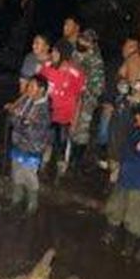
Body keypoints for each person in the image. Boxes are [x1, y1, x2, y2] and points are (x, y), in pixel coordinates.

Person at [5, 76, 52, 214]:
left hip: (32, 148)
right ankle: (16, 199)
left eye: (32, 87)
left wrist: (18, 118)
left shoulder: (44, 109)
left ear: (41, 90)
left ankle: (32, 204)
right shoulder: (27, 100)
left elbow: (31, 130)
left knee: (29, 176)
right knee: (16, 172)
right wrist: (20, 119)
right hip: (19, 143)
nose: (28, 89)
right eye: (28, 86)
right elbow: (15, 119)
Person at [39, 39, 86, 176]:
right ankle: (42, 166)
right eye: (53, 50)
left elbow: (79, 99)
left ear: (63, 54)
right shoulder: (47, 66)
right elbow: (37, 86)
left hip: (65, 116)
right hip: (47, 113)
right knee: (45, 141)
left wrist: (75, 120)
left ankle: (60, 172)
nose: (52, 54)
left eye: (55, 51)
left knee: (62, 144)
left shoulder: (75, 73)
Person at [102, 103, 140, 261]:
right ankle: (110, 233)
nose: (136, 118)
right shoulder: (136, 132)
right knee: (115, 207)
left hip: (139, 184)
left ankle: (129, 246)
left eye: (139, 116)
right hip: (124, 178)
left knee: (135, 216)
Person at [71, 29, 106, 164]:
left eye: (86, 41)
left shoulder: (96, 60)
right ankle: (63, 154)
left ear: (92, 44)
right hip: (70, 95)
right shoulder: (75, 52)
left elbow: (98, 87)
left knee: (81, 129)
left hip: (86, 99)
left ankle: (76, 160)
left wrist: (85, 91)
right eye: (81, 39)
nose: (82, 42)